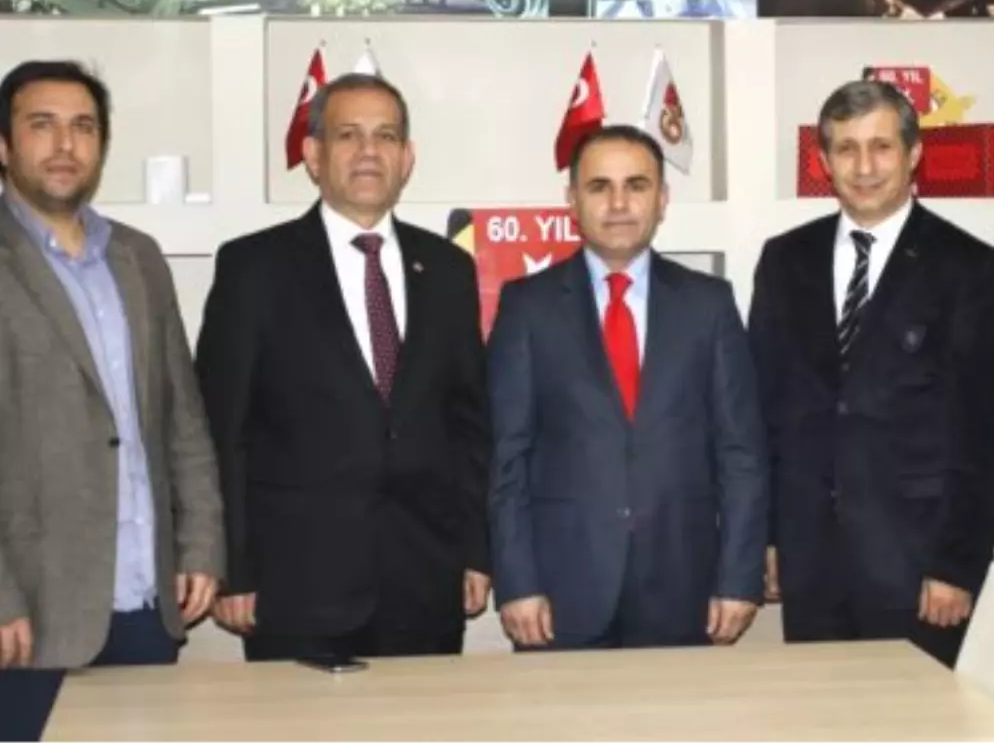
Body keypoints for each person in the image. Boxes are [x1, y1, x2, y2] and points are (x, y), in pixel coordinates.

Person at [194, 72, 492, 661]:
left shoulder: (448, 269)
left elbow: (469, 426)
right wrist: (233, 567)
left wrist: (475, 551)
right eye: (348, 134)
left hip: (424, 581)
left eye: (386, 136)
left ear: (407, 158)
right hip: (296, 585)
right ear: (313, 154)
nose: (368, 151)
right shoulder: (253, 268)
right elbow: (222, 430)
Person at [749, 80, 994, 668]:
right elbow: (763, 411)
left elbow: (986, 433)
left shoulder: (969, 267)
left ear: (913, 153)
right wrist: (766, 536)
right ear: (824, 162)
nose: (864, 167)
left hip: (919, 570)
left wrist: (956, 564)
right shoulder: (784, 260)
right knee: (819, 711)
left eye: (881, 147)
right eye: (846, 149)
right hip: (810, 560)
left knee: (917, 717)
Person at [0, 60, 225, 741]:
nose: (65, 144)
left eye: (83, 127)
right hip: (27, 614)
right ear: (4, 145)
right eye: (42, 125)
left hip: (145, 602)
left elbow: (182, 418)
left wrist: (202, 545)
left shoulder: (139, 257)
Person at [487, 124, 768, 650]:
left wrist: (738, 577)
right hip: (561, 594)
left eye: (636, 185)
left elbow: (741, 454)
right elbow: (507, 457)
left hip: (684, 590)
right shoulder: (527, 306)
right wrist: (517, 582)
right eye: (600, 187)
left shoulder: (709, 304)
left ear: (662, 199)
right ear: (572, 200)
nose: (618, 204)